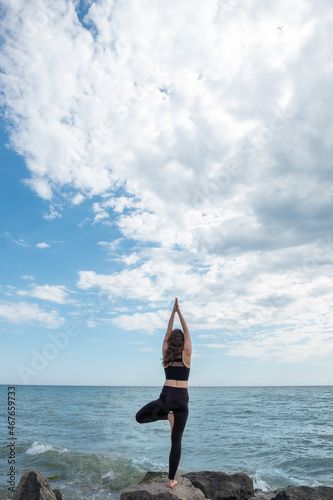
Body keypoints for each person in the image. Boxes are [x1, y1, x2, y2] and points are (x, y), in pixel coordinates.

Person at [135, 298, 192, 488]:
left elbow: (168, 333)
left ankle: (167, 416)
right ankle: (171, 480)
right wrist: (180, 313)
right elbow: (186, 333)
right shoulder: (187, 354)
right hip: (182, 400)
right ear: (182, 341)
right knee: (176, 440)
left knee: (139, 417)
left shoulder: (166, 353)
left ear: (170, 342)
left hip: (166, 397)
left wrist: (172, 313)